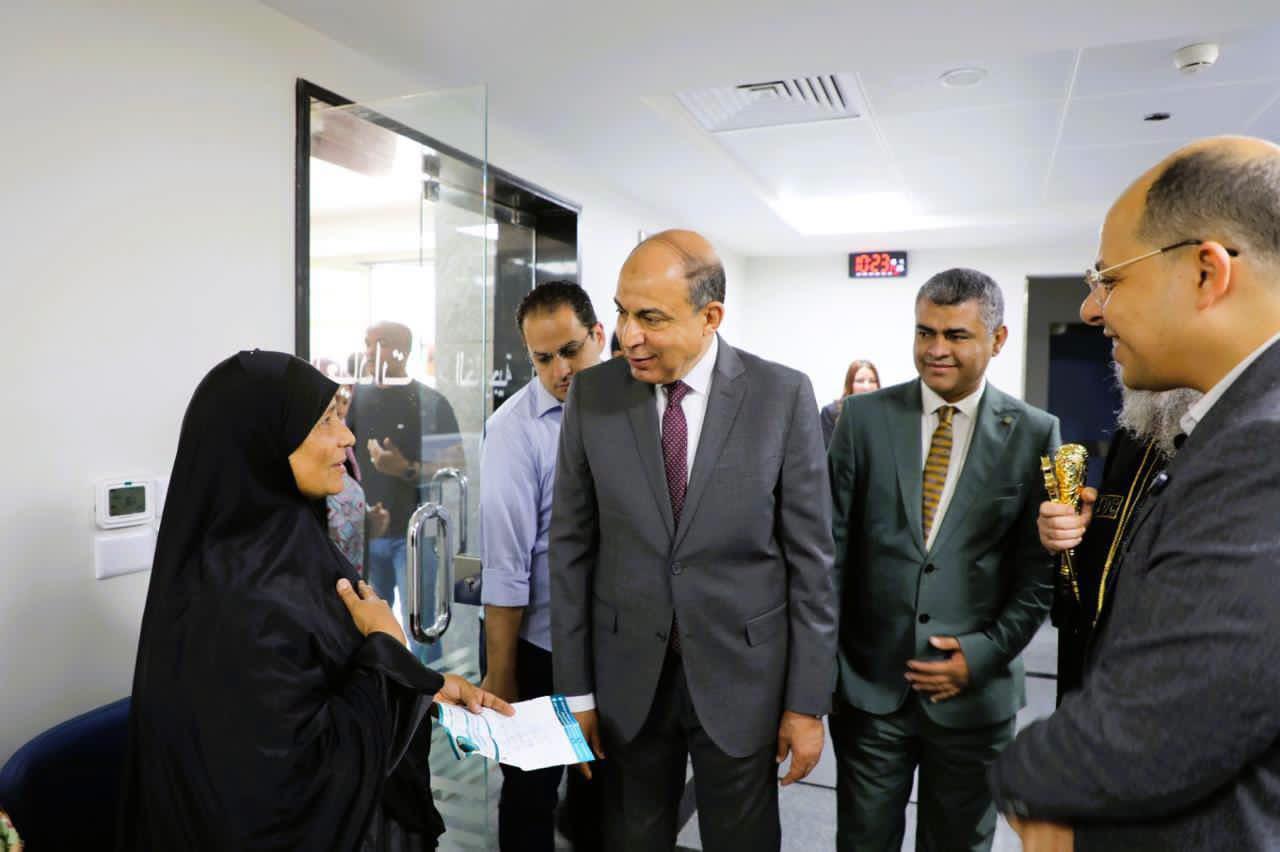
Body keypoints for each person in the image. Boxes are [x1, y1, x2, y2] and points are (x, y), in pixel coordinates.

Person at [990, 136, 1280, 851]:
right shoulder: (1221, 426)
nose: (1093, 309)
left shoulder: (1262, 442)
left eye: (1111, 280)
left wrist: (1031, 777)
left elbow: (1167, 719)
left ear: (1207, 273)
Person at [118, 350, 510, 850]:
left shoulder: (291, 546)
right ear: (264, 441)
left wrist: (423, 686)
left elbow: (330, 676)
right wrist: (388, 648)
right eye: (325, 420)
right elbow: (300, 781)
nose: (347, 437)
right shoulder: (239, 595)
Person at [550, 229, 837, 852]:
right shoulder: (593, 396)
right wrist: (575, 693)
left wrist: (806, 705)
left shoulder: (782, 396)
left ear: (711, 317)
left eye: (651, 318)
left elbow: (812, 563)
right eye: (622, 313)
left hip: (744, 675)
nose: (628, 336)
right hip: (628, 678)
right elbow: (570, 550)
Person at [827, 268, 1060, 852]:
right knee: (862, 841)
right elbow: (829, 552)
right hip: (871, 690)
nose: (935, 350)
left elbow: (1039, 574)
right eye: (924, 332)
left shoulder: (1035, 434)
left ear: (997, 340)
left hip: (974, 698)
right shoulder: (863, 419)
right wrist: (827, 669)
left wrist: (981, 655)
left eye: (956, 335)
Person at [480, 281, 605, 852]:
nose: (561, 370)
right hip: (539, 647)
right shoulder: (515, 429)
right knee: (531, 793)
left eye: (571, 351)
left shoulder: (633, 408)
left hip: (613, 648)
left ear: (598, 335)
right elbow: (507, 563)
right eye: (543, 358)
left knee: (601, 792)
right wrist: (502, 670)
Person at [1037, 370, 1200, 702]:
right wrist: (1074, 534)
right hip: (1090, 682)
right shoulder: (1138, 425)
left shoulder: (1244, 433)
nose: (1092, 315)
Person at [348, 321, 465, 665]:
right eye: (367, 343)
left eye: (381, 343)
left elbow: (456, 466)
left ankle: (430, 695)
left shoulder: (429, 402)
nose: (370, 352)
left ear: (404, 351)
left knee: (422, 631)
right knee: (373, 633)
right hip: (368, 535)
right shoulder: (356, 399)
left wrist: (405, 468)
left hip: (415, 538)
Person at [821, 359, 880, 448]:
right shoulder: (831, 413)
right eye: (860, 381)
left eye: (872, 381)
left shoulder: (884, 412)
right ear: (850, 384)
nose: (867, 387)